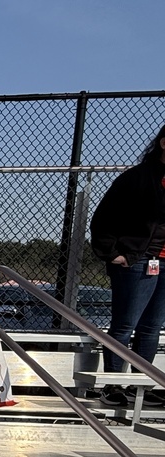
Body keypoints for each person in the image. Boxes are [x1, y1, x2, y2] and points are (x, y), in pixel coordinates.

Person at [91, 125, 165, 408]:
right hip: (137, 259)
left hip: (163, 261)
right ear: (163, 143)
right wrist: (113, 253)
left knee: (152, 326)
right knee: (125, 323)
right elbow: (103, 218)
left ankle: (141, 386)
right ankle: (112, 385)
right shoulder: (136, 179)